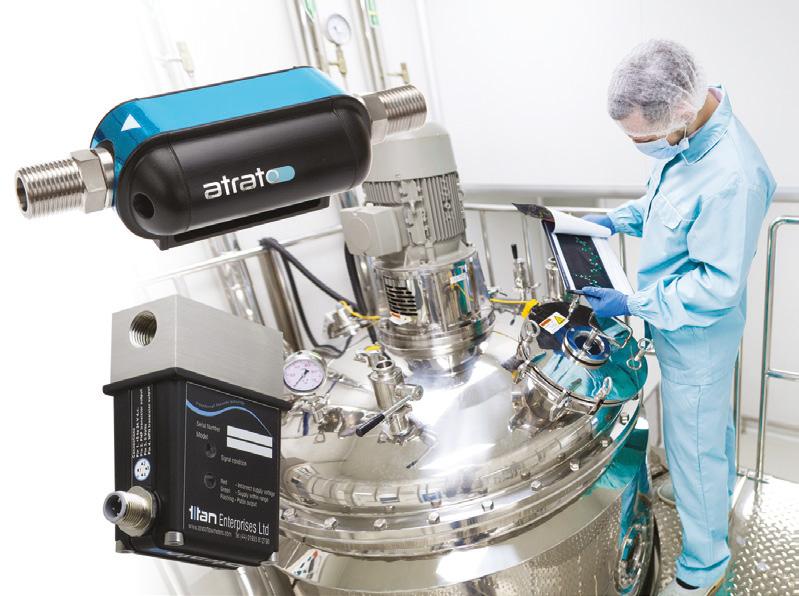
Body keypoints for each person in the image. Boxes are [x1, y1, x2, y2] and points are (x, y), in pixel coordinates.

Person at [581, 40, 775, 595]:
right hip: (681, 326)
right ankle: (714, 494)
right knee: (707, 433)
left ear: (679, 111)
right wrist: (615, 221)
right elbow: (667, 209)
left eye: (641, 138)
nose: (640, 147)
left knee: (692, 448)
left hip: (698, 334)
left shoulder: (732, 175)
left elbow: (716, 285)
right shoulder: (687, 138)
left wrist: (633, 304)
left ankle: (705, 568)